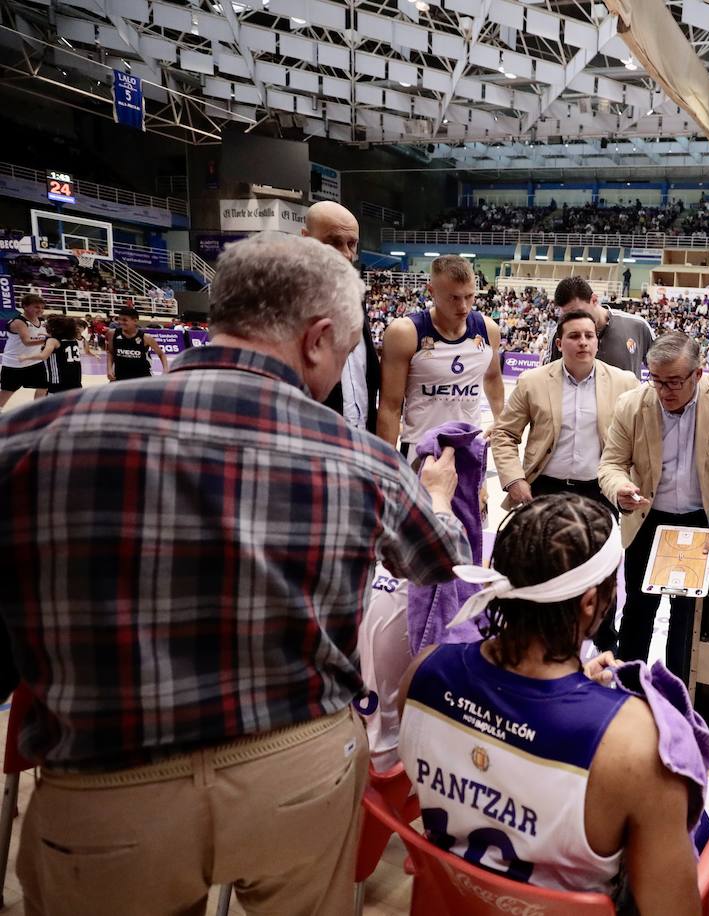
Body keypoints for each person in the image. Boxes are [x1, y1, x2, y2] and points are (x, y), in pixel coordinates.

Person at [0, 233, 471, 915]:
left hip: (105, 783)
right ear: (317, 339)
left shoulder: (32, 435)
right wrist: (436, 496)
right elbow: (441, 560)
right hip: (295, 767)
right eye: (344, 352)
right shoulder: (363, 460)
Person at [396, 494, 709, 914]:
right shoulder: (632, 741)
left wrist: (578, 688)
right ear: (590, 603)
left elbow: (505, 737)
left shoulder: (423, 671)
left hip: (457, 898)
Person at [598, 332, 709, 679]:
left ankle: (679, 692)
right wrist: (620, 488)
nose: (664, 391)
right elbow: (610, 464)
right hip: (646, 519)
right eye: (656, 380)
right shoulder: (632, 404)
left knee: (689, 620)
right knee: (638, 611)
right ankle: (630, 688)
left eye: (674, 382)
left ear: (698, 374)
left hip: (702, 523)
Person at [491, 309, 639, 508]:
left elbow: (640, 438)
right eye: (574, 336)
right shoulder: (532, 381)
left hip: (601, 490)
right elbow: (504, 433)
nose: (583, 342)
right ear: (559, 344)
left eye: (589, 336)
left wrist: (626, 482)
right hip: (543, 488)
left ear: (597, 342)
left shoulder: (624, 382)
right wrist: (514, 479)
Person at [379, 254, 504, 452]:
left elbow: (493, 377)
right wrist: (385, 462)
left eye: (469, 296)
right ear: (431, 291)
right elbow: (390, 407)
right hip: (420, 449)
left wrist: (500, 420)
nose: (463, 306)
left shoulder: (488, 330)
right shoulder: (405, 333)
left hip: (469, 449)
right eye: (453, 297)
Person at [305, 201, 382, 432]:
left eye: (352, 244)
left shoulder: (356, 297)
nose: (347, 254)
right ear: (306, 239)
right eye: (334, 242)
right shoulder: (288, 305)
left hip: (361, 438)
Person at [547, 276, 654, 373]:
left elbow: (661, 366)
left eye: (578, 313)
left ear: (594, 300)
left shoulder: (638, 326)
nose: (574, 321)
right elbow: (548, 378)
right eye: (567, 316)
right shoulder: (560, 334)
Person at [1, 293, 50, 408]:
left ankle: (38, 409)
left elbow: (44, 337)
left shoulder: (41, 321)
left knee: (44, 386)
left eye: (42, 307)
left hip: (34, 362)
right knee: (7, 392)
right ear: (25, 306)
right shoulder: (19, 321)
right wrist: (48, 340)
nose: (40, 310)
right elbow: (27, 341)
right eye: (36, 307)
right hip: (15, 363)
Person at [24, 315, 84, 395]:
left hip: (58, 381)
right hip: (75, 380)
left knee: (54, 401)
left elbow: (43, 356)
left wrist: (26, 357)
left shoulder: (52, 341)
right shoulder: (73, 340)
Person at [106, 306, 169, 381]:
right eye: (119, 319)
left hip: (142, 377)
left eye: (124, 320)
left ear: (135, 321)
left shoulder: (146, 337)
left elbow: (161, 354)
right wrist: (109, 369)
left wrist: (166, 369)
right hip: (119, 376)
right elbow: (110, 352)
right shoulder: (112, 333)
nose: (121, 322)